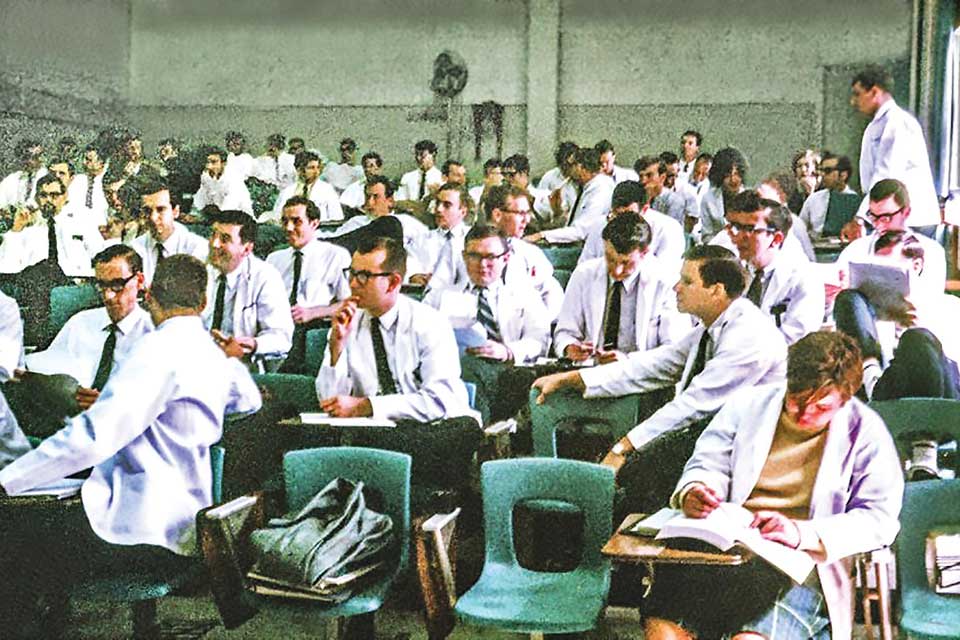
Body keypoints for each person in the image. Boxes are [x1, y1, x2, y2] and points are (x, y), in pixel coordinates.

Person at [0, 254, 262, 636]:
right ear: (203, 303)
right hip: (188, 519)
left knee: (14, 539)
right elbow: (249, 401)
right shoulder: (209, 351)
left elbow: (93, 437)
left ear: (149, 296)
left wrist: (9, 480)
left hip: (144, 531)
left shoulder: (155, 353)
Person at [642, 331, 902, 640]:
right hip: (727, 552)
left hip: (801, 564)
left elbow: (879, 520)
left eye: (820, 407)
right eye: (796, 400)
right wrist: (697, 488)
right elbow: (709, 461)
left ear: (845, 398)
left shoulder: (866, 432)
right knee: (663, 631)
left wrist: (801, 532)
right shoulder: (749, 404)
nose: (804, 414)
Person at [534, 245, 787, 452]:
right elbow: (653, 365)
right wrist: (572, 378)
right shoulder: (713, 326)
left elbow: (694, 404)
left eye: (687, 281)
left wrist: (625, 447)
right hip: (716, 441)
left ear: (716, 290)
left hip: (748, 451)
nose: (676, 287)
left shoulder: (749, 336)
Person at [316, 235, 480, 492]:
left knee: (453, 434)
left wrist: (366, 406)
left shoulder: (430, 323)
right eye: (351, 273)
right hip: (377, 432)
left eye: (363, 276)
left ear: (393, 282)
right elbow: (328, 402)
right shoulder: (348, 323)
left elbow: (439, 400)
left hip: (433, 427)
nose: (352, 284)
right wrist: (336, 346)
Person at [425, 225, 550, 420]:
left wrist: (507, 351)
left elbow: (539, 340)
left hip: (507, 371)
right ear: (464, 257)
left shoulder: (524, 294)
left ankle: (473, 431)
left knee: (470, 370)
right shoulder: (440, 298)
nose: (483, 265)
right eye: (475, 256)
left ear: (505, 258)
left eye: (491, 257)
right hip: (448, 371)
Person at [24, 245, 153, 412]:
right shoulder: (81, 322)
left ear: (140, 281)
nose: (108, 296)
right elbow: (43, 364)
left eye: (117, 285)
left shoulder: (154, 335)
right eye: (101, 285)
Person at [555, 212, 688, 362]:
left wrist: (627, 361)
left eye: (626, 263)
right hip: (590, 371)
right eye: (610, 259)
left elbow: (674, 349)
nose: (617, 270)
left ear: (644, 253)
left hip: (642, 374)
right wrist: (569, 347)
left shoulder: (666, 281)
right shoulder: (584, 274)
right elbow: (564, 332)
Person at [725, 192, 824, 344]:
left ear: (776, 239)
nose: (738, 237)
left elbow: (796, 341)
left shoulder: (803, 279)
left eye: (750, 230)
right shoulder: (739, 270)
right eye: (738, 228)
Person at [852, 65, 940, 234]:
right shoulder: (876, 125)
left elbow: (887, 175)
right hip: (888, 214)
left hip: (911, 219)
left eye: (858, 94)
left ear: (874, 92)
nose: (853, 101)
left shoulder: (897, 122)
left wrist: (860, 218)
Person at [266, 196, 351, 371]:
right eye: (285, 221)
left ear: (314, 223)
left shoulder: (334, 256)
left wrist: (314, 312)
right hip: (275, 328)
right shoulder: (274, 259)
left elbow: (350, 303)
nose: (288, 228)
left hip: (310, 329)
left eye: (296, 222)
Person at [203, 209, 293, 372]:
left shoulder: (265, 277)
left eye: (225, 239)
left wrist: (251, 344)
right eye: (213, 235)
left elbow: (281, 338)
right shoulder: (200, 271)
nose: (214, 244)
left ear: (246, 249)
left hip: (243, 369)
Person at [485, 184, 565, 319]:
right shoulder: (465, 251)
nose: (526, 220)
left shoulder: (530, 253)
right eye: (521, 213)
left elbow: (552, 292)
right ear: (497, 214)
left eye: (528, 213)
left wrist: (540, 323)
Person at [578, 180, 685, 272]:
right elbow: (584, 266)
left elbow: (666, 276)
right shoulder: (600, 224)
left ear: (644, 210)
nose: (622, 220)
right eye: (617, 214)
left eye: (629, 214)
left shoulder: (670, 229)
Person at [525, 147, 614, 244]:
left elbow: (581, 231)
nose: (570, 172)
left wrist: (542, 235)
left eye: (572, 166)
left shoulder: (601, 190)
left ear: (580, 167)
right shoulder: (585, 186)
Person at [132, 178, 209, 284]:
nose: (153, 218)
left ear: (175, 211)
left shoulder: (196, 248)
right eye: (147, 211)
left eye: (161, 210)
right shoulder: (136, 247)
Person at [410, 182, 472, 287]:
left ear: (463, 211)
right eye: (438, 203)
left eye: (447, 205)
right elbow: (410, 264)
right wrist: (415, 276)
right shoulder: (422, 239)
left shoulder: (474, 239)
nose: (438, 209)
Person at [265, 150, 343, 224]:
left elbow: (337, 217)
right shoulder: (287, 192)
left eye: (318, 167)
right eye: (311, 168)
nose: (316, 172)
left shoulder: (327, 190)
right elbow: (278, 216)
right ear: (300, 170)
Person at [799, 151, 859, 239]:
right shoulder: (814, 199)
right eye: (821, 170)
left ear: (843, 175)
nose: (822, 175)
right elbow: (800, 227)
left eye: (827, 171)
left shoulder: (856, 202)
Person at [699, 147, 747, 242]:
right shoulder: (708, 199)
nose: (733, 180)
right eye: (728, 175)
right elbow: (706, 236)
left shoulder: (750, 200)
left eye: (737, 174)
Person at [192, 147, 254, 216]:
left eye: (214, 162)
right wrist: (195, 214)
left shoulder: (232, 179)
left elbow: (229, 208)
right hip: (216, 216)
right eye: (207, 162)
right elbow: (201, 196)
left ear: (223, 163)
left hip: (239, 217)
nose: (209, 166)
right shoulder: (206, 176)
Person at [636, 154, 686, 225]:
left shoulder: (674, 201)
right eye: (641, 176)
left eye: (649, 175)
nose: (643, 181)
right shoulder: (636, 198)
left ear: (662, 177)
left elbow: (669, 230)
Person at [0, 139, 46, 209]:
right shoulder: (12, 179)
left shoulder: (45, 175)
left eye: (37, 157)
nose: (40, 160)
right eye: (27, 158)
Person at [394, 139, 443, 204]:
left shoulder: (441, 179)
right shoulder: (407, 177)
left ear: (433, 154)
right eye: (416, 154)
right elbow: (399, 200)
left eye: (422, 155)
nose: (418, 158)